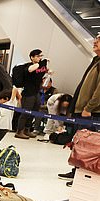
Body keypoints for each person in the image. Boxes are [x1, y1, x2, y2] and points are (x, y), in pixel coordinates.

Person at [58, 34, 100, 182]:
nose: (95, 41)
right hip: (82, 110)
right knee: (79, 143)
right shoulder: (96, 60)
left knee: (89, 147)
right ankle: (77, 171)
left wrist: (89, 107)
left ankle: (84, 175)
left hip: (91, 112)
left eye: (99, 39)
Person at [15, 49, 50, 139]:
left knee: (33, 112)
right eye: (38, 56)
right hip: (28, 93)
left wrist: (47, 70)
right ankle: (19, 131)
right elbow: (30, 70)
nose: (40, 58)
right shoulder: (28, 66)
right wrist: (39, 64)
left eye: (40, 56)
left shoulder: (39, 66)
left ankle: (27, 129)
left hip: (36, 92)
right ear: (32, 57)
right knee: (25, 113)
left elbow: (42, 73)